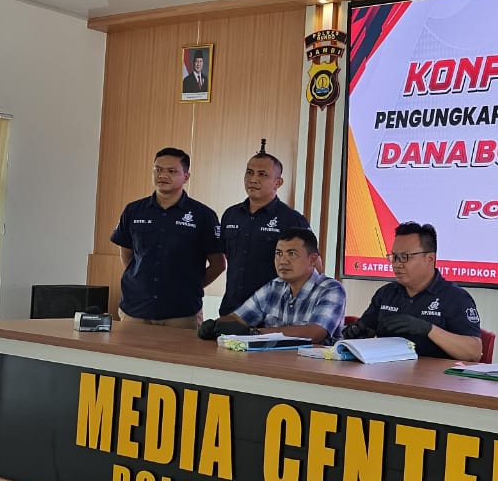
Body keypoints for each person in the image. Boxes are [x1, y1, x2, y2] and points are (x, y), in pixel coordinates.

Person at [111, 147, 224, 328]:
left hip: (181, 313)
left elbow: (218, 265)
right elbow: (127, 255)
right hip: (135, 309)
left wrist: (191, 286)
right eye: (158, 169)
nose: (163, 175)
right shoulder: (133, 210)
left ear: (186, 177)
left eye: (172, 171)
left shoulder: (203, 215)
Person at [341, 222, 483, 361]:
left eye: (405, 257)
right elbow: (367, 330)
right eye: (394, 257)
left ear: (430, 259)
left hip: (434, 375)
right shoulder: (386, 294)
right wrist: (357, 335)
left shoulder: (455, 297)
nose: (397, 264)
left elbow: (474, 353)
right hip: (388, 372)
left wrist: (428, 329)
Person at [199, 229, 345, 344]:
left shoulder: (331, 289)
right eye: (279, 254)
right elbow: (239, 319)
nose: (283, 261)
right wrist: (215, 326)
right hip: (274, 363)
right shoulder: (274, 287)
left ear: (312, 259)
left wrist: (254, 333)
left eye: (292, 254)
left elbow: (315, 333)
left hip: (315, 367)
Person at [218, 140, 311, 315]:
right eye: (249, 173)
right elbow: (225, 258)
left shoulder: (291, 219)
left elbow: (313, 268)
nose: (253, 179)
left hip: (272, 314)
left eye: (262, 174)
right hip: (232, 310)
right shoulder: (231, 214)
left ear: (278, 182)